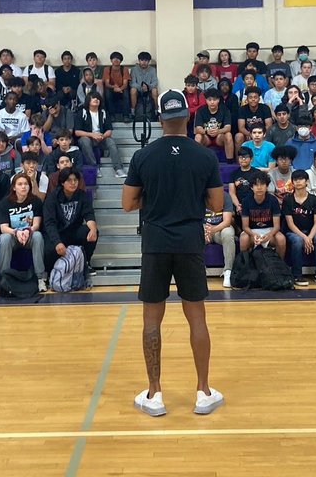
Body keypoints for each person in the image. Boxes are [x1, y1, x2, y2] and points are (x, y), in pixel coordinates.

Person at [122, 89, 224, 417]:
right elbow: (218, 205)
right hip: (190, 241)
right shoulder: (205, 157)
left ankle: (155, 394)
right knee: (196, 317)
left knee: (152, 320)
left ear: (159, 119)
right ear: (188, 116)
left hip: (155, 243)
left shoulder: (143, 157)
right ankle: (203, 392)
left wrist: (150, 200)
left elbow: (127, 204)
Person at [44, 166, 98, 285]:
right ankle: (50, 273)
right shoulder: (53, 197)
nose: (73, 183)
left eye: (75, 180)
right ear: (62, 182)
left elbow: (88, 215)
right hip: (58, 232)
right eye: (69, 180)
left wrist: (93, 229)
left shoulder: (82, 195)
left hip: (73, 231)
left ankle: (85, 263)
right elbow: (49, 223)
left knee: (90, 231)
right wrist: (57, 242)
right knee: (48, 249)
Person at [0, 171, 47, 291]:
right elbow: (3, 227)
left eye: (26, 184)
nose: (23, 186)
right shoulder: (5, 203)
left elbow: (36, 224)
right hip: (14, 236)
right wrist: (16, 232)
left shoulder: (35, 201)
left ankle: (40, 278)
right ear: (14, 187)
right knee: (4, 238)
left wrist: (27, 230)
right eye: (20, 184)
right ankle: (4, 278)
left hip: (29, 235)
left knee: (38, 236)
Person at [76, 93, 126, 178]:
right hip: (88, 137)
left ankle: (118, 169)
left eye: (98, 98)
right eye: (93, 98)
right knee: (84, 140)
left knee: (111, 142)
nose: (96, 100)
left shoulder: (104, 113)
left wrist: (102, 136)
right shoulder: (82, 113)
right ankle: (94, 167)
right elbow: (77, 132)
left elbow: (109, 131)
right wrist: (92, 135)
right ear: (88, 101)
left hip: (101, 137)